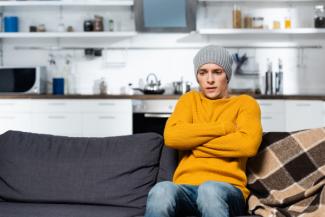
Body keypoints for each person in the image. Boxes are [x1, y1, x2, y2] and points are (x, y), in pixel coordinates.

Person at [144, 45, 263, 217]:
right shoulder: (188, 100)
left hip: (227, 190)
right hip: (185, 190)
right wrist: (224, 128)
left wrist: (193, 143)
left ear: (227, 75)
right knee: (161, 189)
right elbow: (171, 137)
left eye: (217, 72)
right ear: (197, 76)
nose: (210, 79)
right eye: (202, 72)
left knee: (209, 189)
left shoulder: (245, 104)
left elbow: (248, 145)